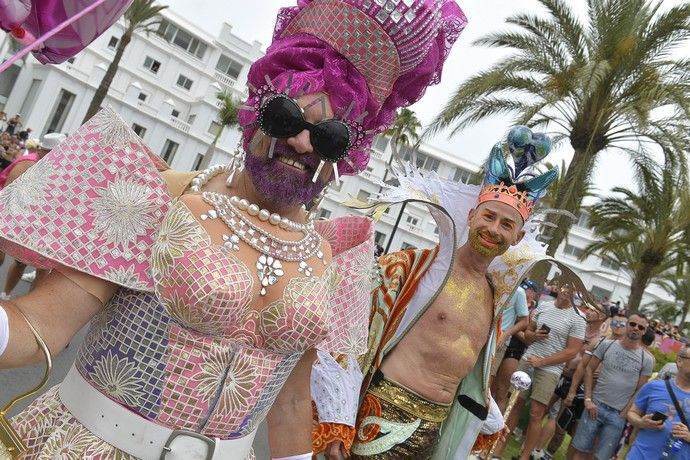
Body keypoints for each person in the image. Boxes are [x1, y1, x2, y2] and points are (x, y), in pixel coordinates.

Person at [0, 0, 472, 455]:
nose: (302, 140)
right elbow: (39, 326)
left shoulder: (337, 258)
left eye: (329, 136)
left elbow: (288, 406)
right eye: (286, 116)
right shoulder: (160, 196)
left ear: (346, 155)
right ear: (255, 112)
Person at [313, 125, 591, 459]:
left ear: (517, 238)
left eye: (507, 224)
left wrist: (487, 417)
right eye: (489, 217)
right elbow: (350, 337)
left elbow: (471, 367)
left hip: (437, 428)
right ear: (472, 216)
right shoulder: (412, 269)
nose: (493, 229)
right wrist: (338, 420)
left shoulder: (496, 295)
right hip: (382, 416)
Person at [492, 285, 587, 460]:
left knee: (536, 413)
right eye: (564, 286)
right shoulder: (544, 305)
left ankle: (525, 456)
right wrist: (533, 336)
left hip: (550, 369)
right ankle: (496, 451)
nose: (566, 291)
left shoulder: (579, 318)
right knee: (513, 405)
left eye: (571, 290)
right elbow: (527, 332)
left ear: (576, 294)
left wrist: (542, 362)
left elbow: (572, 351)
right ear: (559, 287)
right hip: (528, 360)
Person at [570, 314, 653, 459]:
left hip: (618, 414)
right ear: (627, 325)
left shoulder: (646, 359)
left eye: (641, 327)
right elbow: (589, 369)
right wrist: (588, 399)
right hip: (595, 406)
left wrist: (625, 413)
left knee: (600, 457)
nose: (636, 328)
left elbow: (640, 389)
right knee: (580, 450)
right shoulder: (606, 345)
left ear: (644, 332)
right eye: (633, 324)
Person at [627, 346, 690, 460]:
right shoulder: (654, 386)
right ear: (679, 361)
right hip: (641, 455)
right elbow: (632, 413)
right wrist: (641, 422)